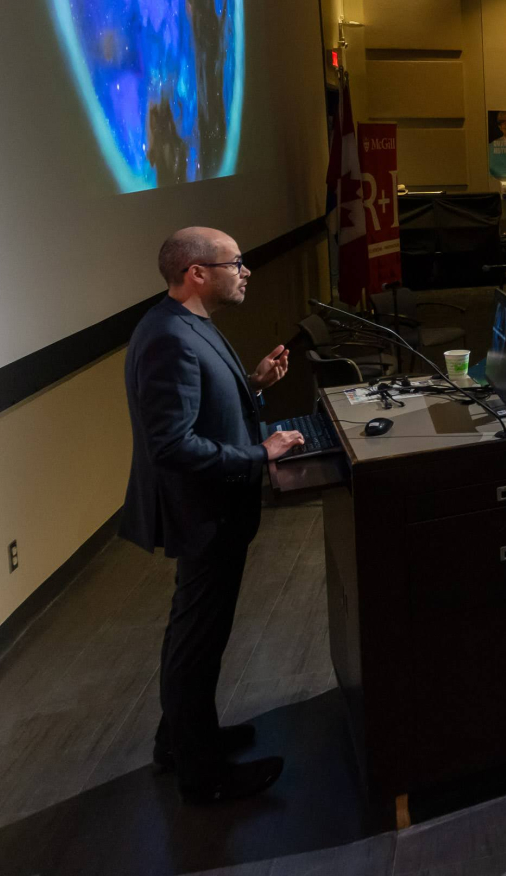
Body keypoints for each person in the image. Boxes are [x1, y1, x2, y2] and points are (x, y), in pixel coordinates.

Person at [121, 228, 298, 802]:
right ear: (197, 272)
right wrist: (258, 454)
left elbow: (199, 411)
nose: (246, 271)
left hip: (214, 509)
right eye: (235, 263)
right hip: (203, 513)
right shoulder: (168, 337)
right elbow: (171, 444)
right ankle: (203, 776)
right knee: (196, 638)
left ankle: (181, 741)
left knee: (197, 633)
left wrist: (252, 385)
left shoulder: (187, 325)